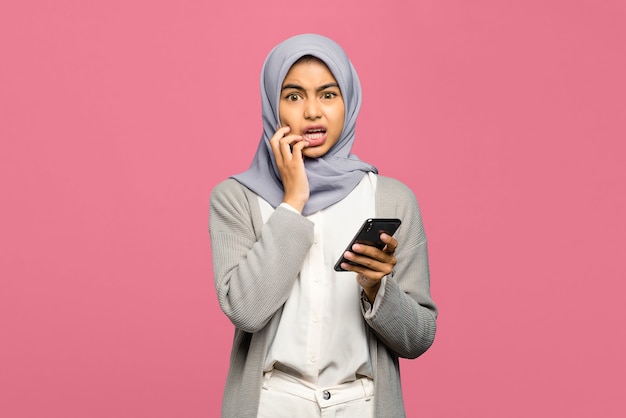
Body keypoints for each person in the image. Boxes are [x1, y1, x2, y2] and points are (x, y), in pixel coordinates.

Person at [209, 33, 437, 418]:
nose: (312, 112)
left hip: (363, 406)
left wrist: (377, 288)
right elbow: (247, 311)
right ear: (272, 105)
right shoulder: (236, 198)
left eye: (328, 95)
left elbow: (418, 338)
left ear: (348, 101)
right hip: (271, 405)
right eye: (294, 96)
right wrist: (293, 200)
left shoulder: (393, 199)